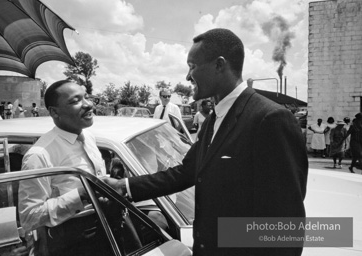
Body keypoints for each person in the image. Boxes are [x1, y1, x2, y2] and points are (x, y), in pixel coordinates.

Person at [105, 28, 308, 256]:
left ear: (219, 65)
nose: (187, 76)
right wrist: (125, 187)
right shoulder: (214, 119)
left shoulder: (270, 119)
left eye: (192, 66)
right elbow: (186, 172)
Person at [18, 80, 107, 255]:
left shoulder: (88, 137)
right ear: (54, 112)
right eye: (76, 101)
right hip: (70, 243)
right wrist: (81, 195)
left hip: (104, 231)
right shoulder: (39, 155)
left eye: (86, 97)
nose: (88, 105)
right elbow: (29, 217)